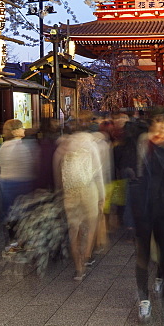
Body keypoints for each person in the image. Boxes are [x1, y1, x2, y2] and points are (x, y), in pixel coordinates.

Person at [131, 108, 164, 321]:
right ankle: (144, 300)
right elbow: (134, 175)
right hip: (144, 207)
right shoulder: (144, 142)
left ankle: (161, 277)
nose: (160, 128)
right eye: (157, 123)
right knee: (142, 253)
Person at [53, 117, 105, 281]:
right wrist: (102, 195)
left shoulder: (63, 145)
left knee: (73, 228)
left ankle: (78, 268)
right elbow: (98, 172)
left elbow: (57, 172)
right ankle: (86, 256)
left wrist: (60, 191)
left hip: (70, 191)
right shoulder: (91, 144)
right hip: (88, 189)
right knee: (90, 226)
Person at [0, 118, 37, 221]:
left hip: (5, 182)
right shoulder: (24, 146)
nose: (24, 130)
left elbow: (0, 165)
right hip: (23, 183)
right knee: (24, 215)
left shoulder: (2, 147)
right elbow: (31, 165)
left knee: (10, 214)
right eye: (21, 127)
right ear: (15, 131)